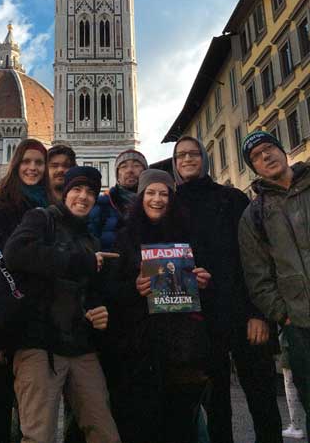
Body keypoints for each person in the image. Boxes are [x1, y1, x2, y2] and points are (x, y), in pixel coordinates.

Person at [173, 135, 282, 443]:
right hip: (202, 322)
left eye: (194, 153)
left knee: (262, 399)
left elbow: (257, 257)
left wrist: (258, 313)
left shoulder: (232, 199)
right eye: (181, 156)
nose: (188, 159)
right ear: (175, 163)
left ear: (204, 159)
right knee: (216, 404)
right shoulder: (172, 205)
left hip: (244, 315)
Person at [4, 166, 121, 443]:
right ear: (65, 193)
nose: (83, 197)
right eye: (77, 190)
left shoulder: (90, 239)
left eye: (90, 192)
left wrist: (98, 310)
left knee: (104, 431)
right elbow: (16, 253)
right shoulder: (41, 219)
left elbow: (88, 289)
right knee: (38, 436)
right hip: (40, 345)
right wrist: (80, 262)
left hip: (80, 347)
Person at [107, 168, 211, 443]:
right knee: (142, 425)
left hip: (182, 351)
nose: (157, 199)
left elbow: (208, 285)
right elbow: (110, 290)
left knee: (180, 425)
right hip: (139, 353)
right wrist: (134, 288)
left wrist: (202, 281)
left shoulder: (188, 235)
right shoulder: (125, 237)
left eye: (164, 193)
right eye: (150, 193)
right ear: (140, 198)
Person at [0, 139, 48, 443]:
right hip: (2, 321)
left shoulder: (50, 206)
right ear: (15, 163)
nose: (32, 168)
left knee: (31, 414)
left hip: (35, 323)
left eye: (38, 163)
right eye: (26, 162)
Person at [239, 129, 310, 439]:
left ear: (282, 150)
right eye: (256, 156)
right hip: (301, 326)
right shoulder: (253, 215)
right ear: (253, 166)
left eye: (269, 148)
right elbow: (257, 276)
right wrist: (285, 316)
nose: (265, 156)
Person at [89, 149, 148, 250]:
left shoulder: (156, 204)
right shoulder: (102, 205)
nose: (130, 170)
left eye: (136, 165)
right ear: (118, 176)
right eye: (124, 166)